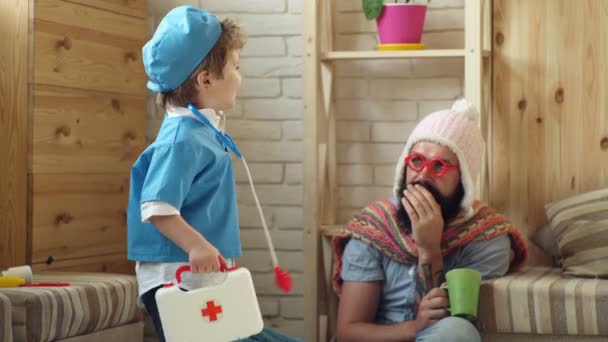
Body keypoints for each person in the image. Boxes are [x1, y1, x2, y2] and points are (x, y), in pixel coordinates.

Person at [127, 6, 298, 342]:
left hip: (195, 275)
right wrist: (198, 248)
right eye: (235, 67)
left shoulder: (201, 131)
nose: (240, 76)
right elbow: (156, 207)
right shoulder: (181, 138)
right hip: (176, 277)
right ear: (205, 79)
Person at [331, 99, 529, 342]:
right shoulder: (374, 228)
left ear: (463, 181)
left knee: (458, 330)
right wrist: (414, 328)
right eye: (416, 161)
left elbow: (451, 326)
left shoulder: (486, 237)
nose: (422, 176)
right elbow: (348, 332)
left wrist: (429, 249)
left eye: (439, 166)